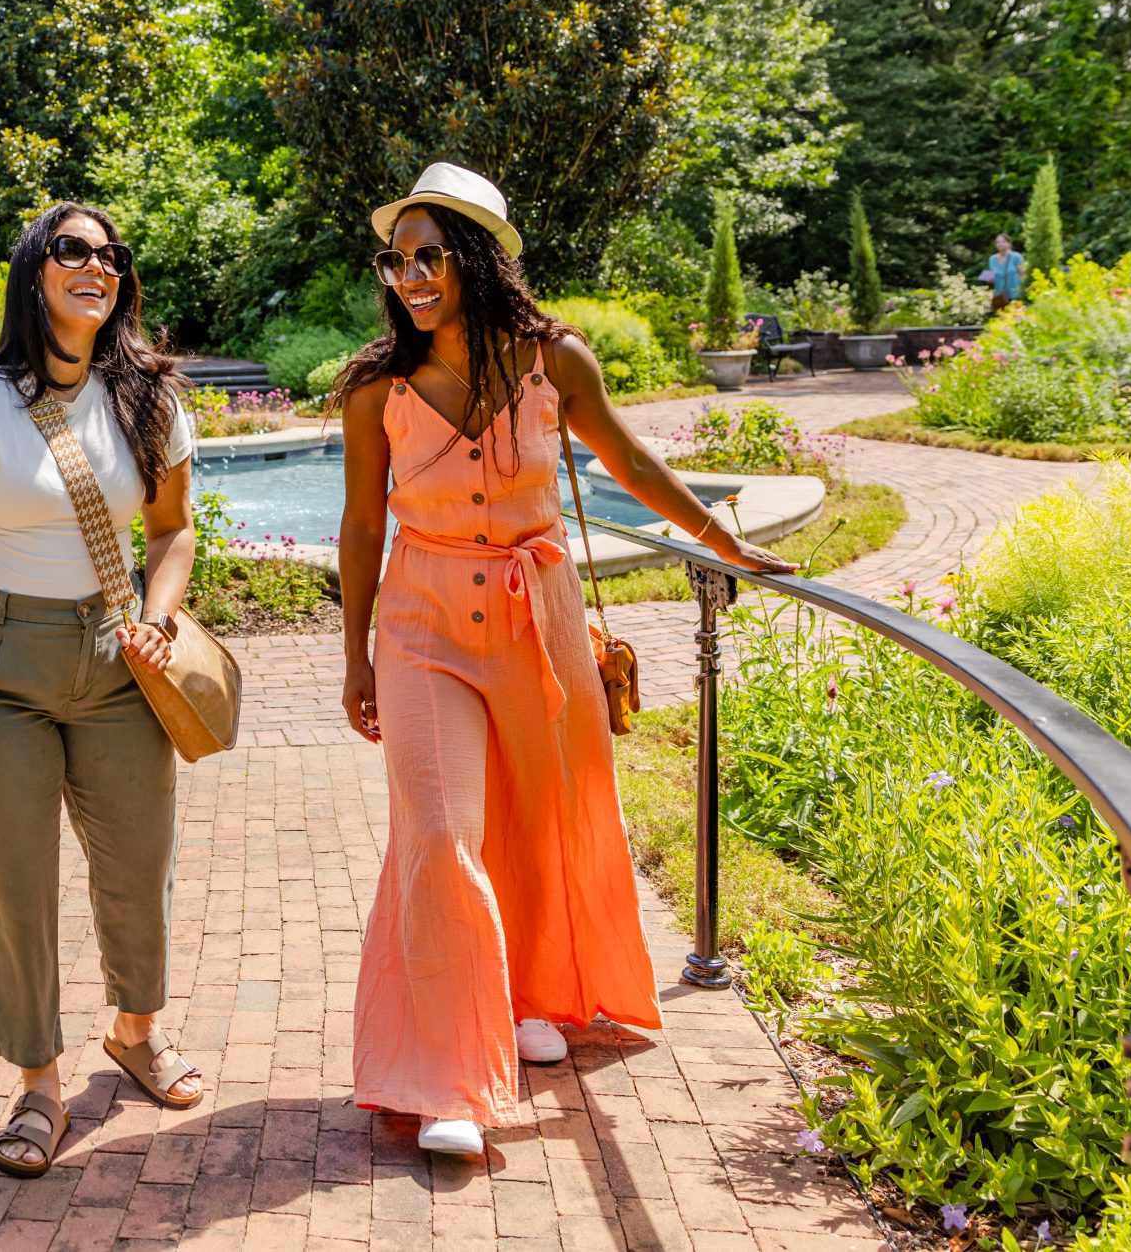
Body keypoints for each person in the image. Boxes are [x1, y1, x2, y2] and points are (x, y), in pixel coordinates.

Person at [334, 163, 793, 1157]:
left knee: (542, 815)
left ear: (476, 257)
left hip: (537, 613)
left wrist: (719, 538)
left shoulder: (557, 362)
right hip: (420, 623)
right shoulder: (376, 387)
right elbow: (361, 523)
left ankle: (528, 993)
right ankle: (450, 1075)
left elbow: (627, 462)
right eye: (395, 258)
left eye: (428, 255)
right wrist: (355, 655)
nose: (408, 275)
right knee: (441, 831)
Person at [0, 202, 207, 1179]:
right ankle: (37, 1079)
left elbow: (172, 530)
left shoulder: (150, 395)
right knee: (15, 876)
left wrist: (159, 615)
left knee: (137, 855)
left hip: (118, 662)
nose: (96, 265)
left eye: (111, 255)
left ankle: (136, 1031)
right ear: (34, 270)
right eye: (72, 249)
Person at [980, 233, 1027, 305]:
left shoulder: (1016, 256)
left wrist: (1024, 291)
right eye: (998, 242)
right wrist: (988, 279)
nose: (1000, 244)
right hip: (1001, 297)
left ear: (1009, 243)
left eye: (1003, 241)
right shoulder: (992, 259)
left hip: (1016, 296)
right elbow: (991, 279)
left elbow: (1024, 275)